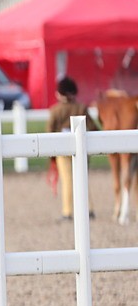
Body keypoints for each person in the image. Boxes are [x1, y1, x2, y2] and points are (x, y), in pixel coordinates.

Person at [47, 77, 98, 221]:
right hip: (81, 149)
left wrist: (51, 154)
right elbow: (93, 127)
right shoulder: (81, 108)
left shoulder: (55, 110)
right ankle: (89, 209)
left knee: (67, 180)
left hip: (62, 151)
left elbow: (49, 131)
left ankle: (67, 211)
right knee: (82, 179)